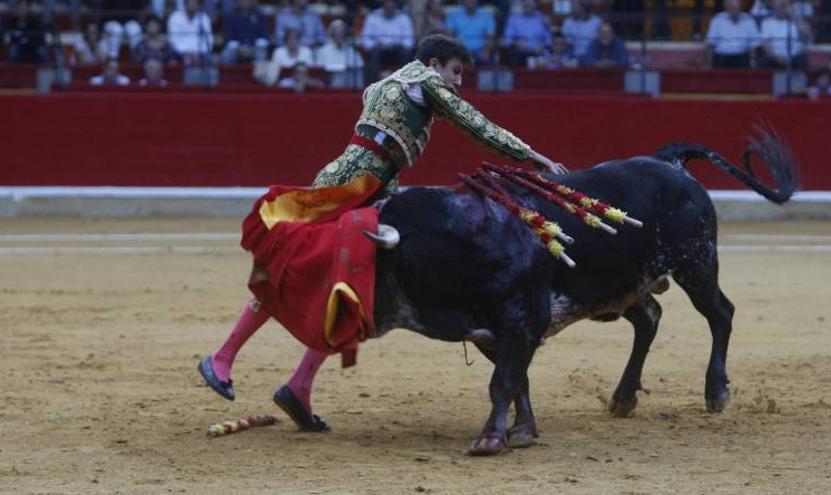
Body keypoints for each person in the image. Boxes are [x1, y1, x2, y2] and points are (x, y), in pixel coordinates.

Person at [198, 34, 569, 432]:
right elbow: (477, 125)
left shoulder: (386, 85)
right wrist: (535, 157)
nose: (458, 82)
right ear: (433, 64)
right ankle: (223, 358)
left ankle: (298, 385)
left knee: (349, 287)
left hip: (366, 187)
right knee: (291, 272)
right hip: (350, 188)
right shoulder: (426, 83)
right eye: (455, 72)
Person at [361, 0, 415, 83]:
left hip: (397, 50)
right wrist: (375, 45)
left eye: (392, 3)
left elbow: (409, 41)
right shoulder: (372, 17)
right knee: (372, 57)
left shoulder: (404, 18)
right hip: (379, 50)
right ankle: (372, 89)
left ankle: (406, 86)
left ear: (396, 5)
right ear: (383, 4)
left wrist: (398, 45)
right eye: (387, 3)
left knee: (407, 55)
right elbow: (366, 40)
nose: (389, 6)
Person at [705, 0, 760, 68]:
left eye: (736, 8)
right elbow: (710, 44)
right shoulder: (717, 19)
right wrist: (708, 65)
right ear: (727, 8)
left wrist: (753, 62)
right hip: (722, 56)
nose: (734, 11)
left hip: (741, 56)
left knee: (745, 61)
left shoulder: (749, 20)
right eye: (731, 8)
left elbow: (754, 45)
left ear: (740, 7)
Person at [759, 0, 811, 69]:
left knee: (803, 59)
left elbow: (807, 34)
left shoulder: (797, 21)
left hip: (796, 57)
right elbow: (766, 46)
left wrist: (794, 16)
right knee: (764, 61)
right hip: (775, 57)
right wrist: (776, 57)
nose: (783, 8)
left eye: (785, 6)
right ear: (774, 7)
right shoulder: (767, 23)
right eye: (781, 5)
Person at [315, 19, 365, 88]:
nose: (340, 35)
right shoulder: (323, 50)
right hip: (330, 83)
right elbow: (319, 69)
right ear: (332, 34)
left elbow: (360, 64)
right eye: (337, 32)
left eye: (342, 32)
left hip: (349, 84)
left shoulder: (350, 50)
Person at [501, 0, 552, 67]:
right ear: (522, 3)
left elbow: (549, 41)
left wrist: (543, 45)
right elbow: (506, 41)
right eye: (525, 1)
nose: (528, 3)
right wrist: (515, 43)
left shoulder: (542, 18)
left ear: (536, 4)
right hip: (519, 55)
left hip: (539, 54)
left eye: (531, 1)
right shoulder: (513, 19)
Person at [445, 0, 496, 66]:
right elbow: (449, 35)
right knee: (451, 61)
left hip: (480, 51)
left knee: (488, 61)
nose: (470, 1)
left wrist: (486, 50)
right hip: (460, 50)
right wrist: (454, 51)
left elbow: (490, 37)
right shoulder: (454, 15)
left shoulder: (486, 16)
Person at [221, 0, 270, 64]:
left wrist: (254, 49)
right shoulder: (230, 16)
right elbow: (228, 36)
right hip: (236, 49)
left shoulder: (259, 14)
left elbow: (264, 35)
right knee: (226, 56)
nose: (243, 2)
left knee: (261, 55)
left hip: (255, 47)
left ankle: (258, 74)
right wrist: (238, 49)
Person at [167, 0, 214, 65]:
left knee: (212, 60)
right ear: (185, 4)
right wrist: (186, 53)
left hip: (200, 54)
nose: (192, 5)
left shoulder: (204, 18)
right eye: (190, 3)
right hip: (179, 53)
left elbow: (208, 40)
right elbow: (173, 40)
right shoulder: (175, 17)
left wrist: (198, 53)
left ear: (198, 5)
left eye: (194, 3)